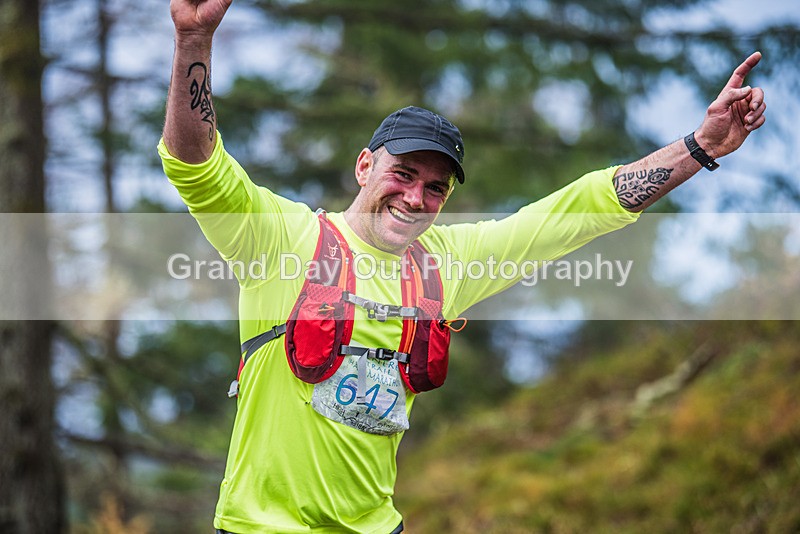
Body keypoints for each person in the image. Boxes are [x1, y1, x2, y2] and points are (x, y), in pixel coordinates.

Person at [159, 1, 766, 532]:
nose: (416, 198)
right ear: (365, 167)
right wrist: (194, 40)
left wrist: (700, 148)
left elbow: (578, 211)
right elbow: (197, 164)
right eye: (403, 174)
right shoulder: (284, 239)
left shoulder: (445, 265)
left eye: (436, 188)